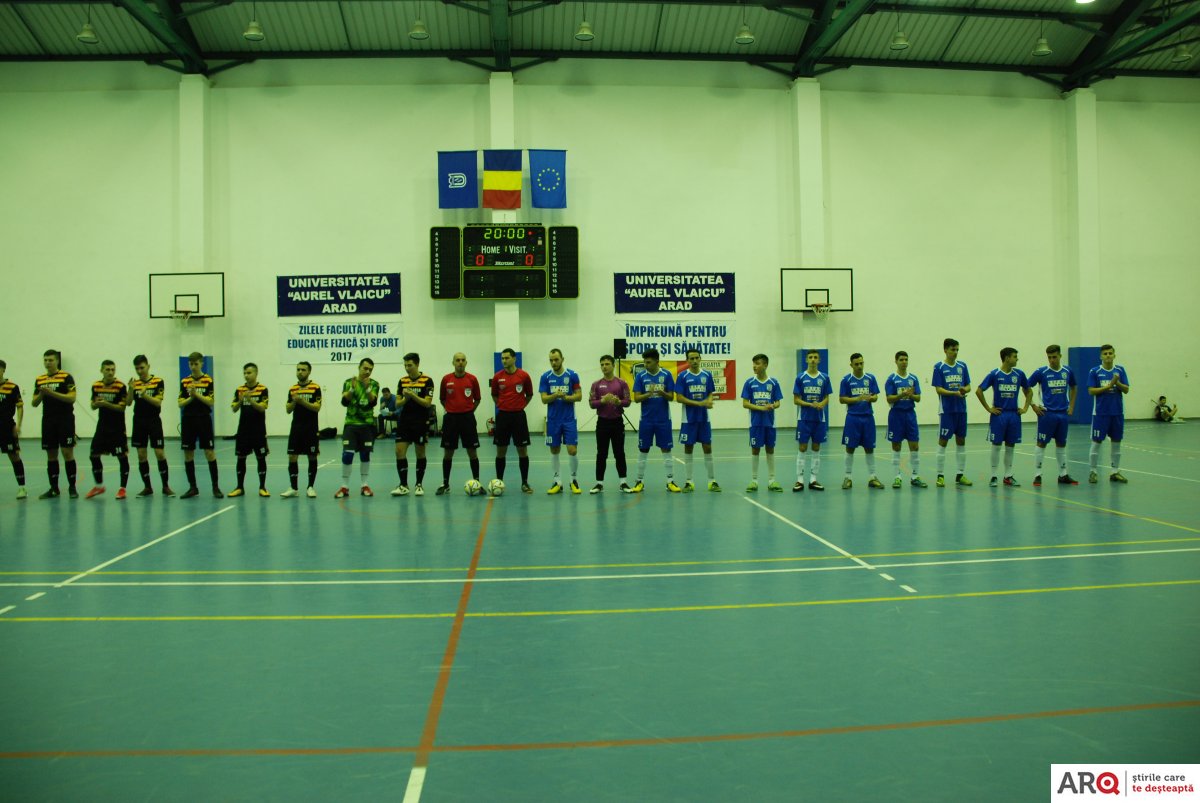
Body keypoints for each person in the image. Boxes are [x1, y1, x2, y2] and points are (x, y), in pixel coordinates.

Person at [976, 347, 1031, 488]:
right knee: (996, 445)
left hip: (1014, 415)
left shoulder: (1019, 374)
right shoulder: (995, 374)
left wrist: (1025, 408)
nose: (1017, 359)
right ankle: (994, 476)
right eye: (1014, 356)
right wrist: (989, 408)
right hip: (999, 415)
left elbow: (1028, 391)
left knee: (1011, 445)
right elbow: (979, 390)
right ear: (1007, 358)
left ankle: (1008, 475)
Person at [629, 348, 679, 493]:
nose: (646, 364)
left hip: (663, 419)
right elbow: (637, 399)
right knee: (643, 449)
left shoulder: (666, 375)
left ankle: (670, 481)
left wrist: (663, 392)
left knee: (666, 449)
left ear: (657, 361)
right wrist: (648, 394)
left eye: (648, 362)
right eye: (644, 361)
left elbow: (671, 397)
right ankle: (639, 481)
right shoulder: (641, 376)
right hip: (646, 420)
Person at [31, 349, 78, 499]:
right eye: (45, 360)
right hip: (48, 420)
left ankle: (72, 487)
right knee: (51, 454)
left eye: (51, 360)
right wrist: (42, 394)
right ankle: (54, 488)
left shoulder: (66, 377)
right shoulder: (40, 379)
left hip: (65, 419)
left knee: (67, 453)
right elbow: (34, 403)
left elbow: (71, 398)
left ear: (57, 361)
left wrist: (52, 393)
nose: (48, 363)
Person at [1029, 345, 1079, 486]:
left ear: (1060, 356)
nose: (1052, 360)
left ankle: (1063, 475)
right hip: (1046, 414)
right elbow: (1026, 386)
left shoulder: (1067, 371)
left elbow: (1074, 387)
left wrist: (1072, 406)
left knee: (1061, 443)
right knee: (1041, 443)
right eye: (1049, 357)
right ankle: (1037, 475)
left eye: (1054, 357)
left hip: (1062, 414)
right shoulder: (1041, 372)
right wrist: (1033, 405)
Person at [178, 351, 222, 499]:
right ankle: (193, 487)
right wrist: (191, 398)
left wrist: (197, 395)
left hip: (203, 419)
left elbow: (211, 401)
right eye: (191, 364)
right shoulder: (185, 381)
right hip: (188, 419)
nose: (193, 367)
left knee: (209, 452)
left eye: (196, 364)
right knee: (188, 453)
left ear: (201, 363)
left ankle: (215, 487)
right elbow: (180, 403)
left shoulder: (208, 380)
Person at [437, 352, 482, 495]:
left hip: (468, 419)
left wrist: (468, 411)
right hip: (451, 420)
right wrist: (452, 409)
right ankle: (445, 483)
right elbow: (442, 399)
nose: (460, 362)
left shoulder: (472, 379)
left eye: (463, 360)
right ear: (453, 363)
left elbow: (477, 399)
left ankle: (477, 482)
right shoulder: (446, 379)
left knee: (472, 452)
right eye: (457, 360)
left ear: (466, 362)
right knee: (448, 453)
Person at [127, 355, 173, 497]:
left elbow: (158, 402)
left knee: (159, 453)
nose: (139, 371)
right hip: (139, 421)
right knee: (141, 455)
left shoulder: (158, 381)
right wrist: (130, 389)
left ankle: (165, 486)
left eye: (142, 367)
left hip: (153, 420)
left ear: (148, 366)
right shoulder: (135, 383)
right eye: (137, 368)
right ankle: (147, 487)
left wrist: (144, 395)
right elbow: (128, 403)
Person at [675, 348, 720, 492]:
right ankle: (689, 481)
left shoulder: (706, 375)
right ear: (687, 360)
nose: (694, 361)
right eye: (691, 358)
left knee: (707, 446)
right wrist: (699, 403)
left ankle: (712, 481)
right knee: (689, 447)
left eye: (696, 358)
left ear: (700, 359)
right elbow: (679, 398)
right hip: (688, 419)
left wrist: (709, 401)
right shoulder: (682, 376)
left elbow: (710, 394)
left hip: (704, 419)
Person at [492, 348, 535, 494]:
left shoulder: (524, 376)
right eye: (502, 358)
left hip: (519, 417)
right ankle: (499, 482)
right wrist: (502, 406)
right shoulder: (498, 377)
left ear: (514, 359)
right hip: (503, 417)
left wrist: (520, 406)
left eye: (507, 358)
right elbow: (495, 395)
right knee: (500, 451)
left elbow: (529, 394)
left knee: (522, 450)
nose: (504, 361)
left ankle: (524, 482)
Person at [391, 353, 434, 497]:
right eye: (405, 365)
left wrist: (412, 396)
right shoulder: (402, 381)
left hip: (420, 422)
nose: (407, 368)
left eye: (410, 365)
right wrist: (405, 399)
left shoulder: (427, 381)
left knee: (420, 453)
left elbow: (427, 403)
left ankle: (419, 484)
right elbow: (397, 404)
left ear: (417, 364)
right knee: (399, 451)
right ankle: (403, 485)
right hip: (405, 422)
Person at [540, 348, 583, 494]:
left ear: (562, 359)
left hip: (569, 419)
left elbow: (579, 396)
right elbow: (544, 399)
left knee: (572, 450)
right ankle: (557, 481)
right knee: (554, 449)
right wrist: (555, 395)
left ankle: (574, 480)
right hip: (553, 420)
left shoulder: (572, 375)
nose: (553, 362)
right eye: (551, 360)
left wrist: (566, 397)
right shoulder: (545, 376)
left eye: (556, 359)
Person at [85, 360, 130, 499]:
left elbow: (122, 407)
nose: (110, 372)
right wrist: (97, 404)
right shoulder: (96, 386)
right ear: (101, 370)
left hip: (117, 428)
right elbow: (93, 406)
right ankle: (99, 487)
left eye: (112, 369)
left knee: (122, 457)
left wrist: (106, 403)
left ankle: (122, 488)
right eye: (107, 369)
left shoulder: (121, 386)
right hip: (102, 426)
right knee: (93, 455)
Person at [932, 338, 973, 487]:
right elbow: (938, 389)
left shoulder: (962, 366)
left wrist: (964, 390)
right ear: (945, 350)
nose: (955, 352)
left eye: (957, 350)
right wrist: (953, 392)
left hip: (961, 410)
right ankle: (940, 475)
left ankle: (960, 474)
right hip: (947, 411)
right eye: (952, 349)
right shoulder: (939, 367)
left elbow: (968, 386)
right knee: (943, 441)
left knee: (961, 441)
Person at [336, 358, 379, 498]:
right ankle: (344, 487)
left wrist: (367, 388)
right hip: (351, 424)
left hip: (367, 425)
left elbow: (373, 402)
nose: (367, 371)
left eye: (370, 369)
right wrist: (353, 389)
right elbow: (344, 401)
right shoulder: (348, 382)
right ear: (359, 367)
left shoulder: (374, 384)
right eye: (365, 368)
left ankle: (364, 485)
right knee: (347, 454)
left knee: (365, 455)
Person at [839, 352, 883, 490]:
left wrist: (871, 398)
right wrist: (857, 398)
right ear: (851, 365)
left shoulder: (870, 378)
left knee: (869, 448)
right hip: (853, 418)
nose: (859, 366)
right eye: (856, 364)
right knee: (850, 447)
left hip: (868, 417)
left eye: (861, 363)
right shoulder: (846, 380)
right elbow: (842, 399)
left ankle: (872, 477)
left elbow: (876, 396)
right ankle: (848, 477)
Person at [588, 354, 631, 494]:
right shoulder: (596, 384)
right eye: (602, 364)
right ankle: (599, 483)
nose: (604, 367)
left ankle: (623, 482)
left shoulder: (622, 383)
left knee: (620, 453)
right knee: (601, 454)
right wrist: (602, 401)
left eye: (607, 364)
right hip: (602, 423)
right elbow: (591, 404)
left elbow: (628, 401)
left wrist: (619, 402)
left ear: (613, 365)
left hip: (617, 423)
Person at [1088, 344, 1130, 484]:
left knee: (1116, 442)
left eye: (1110, 353)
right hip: (1100, 413)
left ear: (1114, 355)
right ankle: (1093, 471)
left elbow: (1126, 389)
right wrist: (1108, 386)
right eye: (1105, 353)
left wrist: (1116, 382)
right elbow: (1091, 391)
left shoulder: (1120, 370)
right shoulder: (1095, 371)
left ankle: (1114, 471)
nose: (1108, 356)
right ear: (1101, 356)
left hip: (1117, 412)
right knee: (1096, 442)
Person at [741, 353, 783, 491]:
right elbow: (745, 404)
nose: (754, 366)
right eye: (753, 363)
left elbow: (778, 403)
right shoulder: (749, 383)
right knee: (755, 450)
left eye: (758, 363)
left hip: (770, 423)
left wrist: (772, 406)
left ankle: (772, 480)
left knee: (770, 449)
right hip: (755, 423)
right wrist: (760, 408)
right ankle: (754, 480)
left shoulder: (773, 383)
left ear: (765, 365)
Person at [885, 351, 927, 488]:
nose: (904, 362)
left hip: (910, 415)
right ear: (896, 361)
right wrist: (901, 395)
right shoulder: (891, 379)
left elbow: (918, 398)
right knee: (896, 446)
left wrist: (911, 395)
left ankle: (915, 476)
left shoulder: (913, 378)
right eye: (901, 359)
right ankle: (897, 477)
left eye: (906, 359)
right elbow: (889, 398)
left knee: (914, 446)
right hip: (896, 415)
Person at [281, 361, 322, 498]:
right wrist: (294, 401)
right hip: (296, 428)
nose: (300, 372)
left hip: (311, 428)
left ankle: (310, 487)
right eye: (298, 369)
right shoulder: (292, 389)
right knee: (292, 456)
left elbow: (317, 407)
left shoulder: (315, 387)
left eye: (303, 370)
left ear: (309, 371)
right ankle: (293, 487)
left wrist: (302, 401)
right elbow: (287, 410)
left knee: (312, 455)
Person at [229, 362, 270, 498]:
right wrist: (241, 401)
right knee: (241, 458)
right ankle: (239, 487)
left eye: (249, 373)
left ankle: (262, 487)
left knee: (261, 458)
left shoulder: (263, 389)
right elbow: (234, 409)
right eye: (245, 373)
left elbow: (262, 408)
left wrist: (250, 400)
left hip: (258, 430)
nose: (246, 375)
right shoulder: (239, 389)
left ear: (256, 373)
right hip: (243, 430)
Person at [793, 349, 831, 492]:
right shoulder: (800, 377)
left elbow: (827, 397)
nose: (813, 359)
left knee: (816, 448)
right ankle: (799, 480)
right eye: (811, 357)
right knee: (802, 448)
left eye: (816, 357)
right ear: (806, 360)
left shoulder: (825, 377)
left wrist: (822, 404)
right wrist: (809, 404)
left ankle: (813, 479)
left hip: (819, 419)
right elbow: (796, 400)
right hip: (804, 418)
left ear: (819, 360)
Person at [0, 360, 26, 499]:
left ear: (3, 370)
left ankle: (22, 487)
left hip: (6, 427)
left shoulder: (12, 387)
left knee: (14, 456)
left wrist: (19, 425)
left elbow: (20, 406)